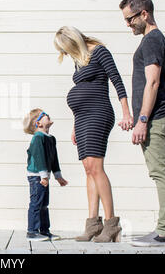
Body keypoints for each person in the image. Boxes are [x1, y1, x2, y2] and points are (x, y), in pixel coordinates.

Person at [53, 26, 133, 243]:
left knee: (96, 168)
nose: (67, 54)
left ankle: (111, 225)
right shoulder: (80, 59)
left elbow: (117, 80)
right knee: (88, 169)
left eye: (67, 49)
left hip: (99, 114)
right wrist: (74, 126)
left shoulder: (99, 51)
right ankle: (93, 225)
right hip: (82, 119)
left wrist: (126, 112)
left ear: (74, 41)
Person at [119, 0, 165, 247]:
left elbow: (153, 82)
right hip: (152, 117)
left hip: (155, 118)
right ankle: (164, 230)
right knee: (159, 171)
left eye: (130, 19)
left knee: (161, 172)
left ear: (144, 13)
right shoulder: (151, 40)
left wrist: (143, 120)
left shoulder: (152, 40)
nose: (128, 24)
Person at [23, 108, 68, 241]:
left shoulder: (51, 139)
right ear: (38, 124)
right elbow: (39, 157)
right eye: (43, 115)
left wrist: (58, 175)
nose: (47, 115)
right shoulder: (38, 138)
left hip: (43, 176)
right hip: (36, 176)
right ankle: (32, 231)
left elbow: (54, 159)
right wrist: (43, 176)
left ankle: (44, 230)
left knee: (44, 204)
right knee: (36, 203)